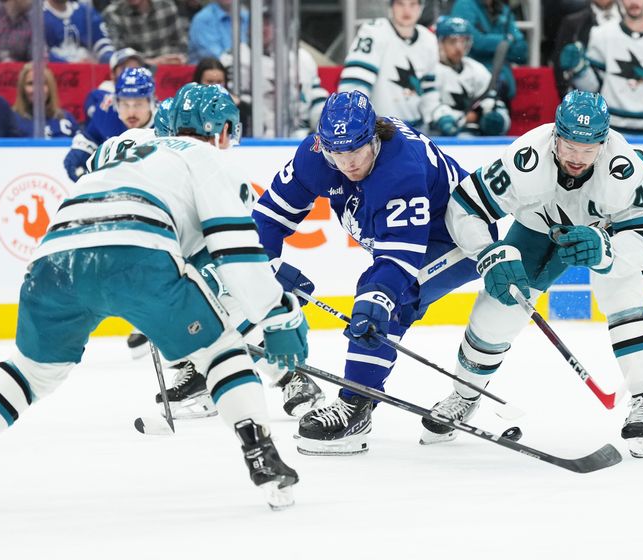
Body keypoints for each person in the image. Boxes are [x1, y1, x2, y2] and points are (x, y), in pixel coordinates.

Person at [0, 83, 305, 511]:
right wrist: (278, 315)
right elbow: (234, 249)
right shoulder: (207, 158)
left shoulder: (120, 144)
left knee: (31, 373)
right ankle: (260, 451)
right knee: (219, 349)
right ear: (223, 132)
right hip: (137, 255)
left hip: (53, 260)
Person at [421, 90, 643, 459]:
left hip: (606, 232)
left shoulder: (627, 168)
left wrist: (606, 252)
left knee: (624, 295)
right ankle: (465, 393)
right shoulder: (526, 157)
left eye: (588, 149)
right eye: (569, 146)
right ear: (555, 134)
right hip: (537, 228)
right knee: (496, 311)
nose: (576, 158)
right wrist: (489, 252)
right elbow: (464, 206)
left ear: (604, 143)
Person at [252, 90, 497, 455]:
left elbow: (400, 256)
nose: (348, 162)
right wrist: (263, 265)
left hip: (458, 238)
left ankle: (356, 406)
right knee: (377, 295)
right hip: (412, 235)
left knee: (390, 300)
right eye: (337, 153)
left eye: (356, 151)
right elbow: (269, 217)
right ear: (321, 144)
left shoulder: (401, 169)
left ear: (374, 137)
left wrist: (378, 297)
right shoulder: (316, 157)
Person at [87, 85, 325, 420]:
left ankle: (289, 375)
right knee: (214, 294)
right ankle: (212, 369)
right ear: (220, 129)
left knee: (211, 292)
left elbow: (96, 161)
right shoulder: (214, 166)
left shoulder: (135, 143)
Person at [561, 0, 643, 135]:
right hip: (613, 134)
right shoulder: (602, 34)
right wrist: (579, 70)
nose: (633, 1)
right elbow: (593, 89)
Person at [337, 0, 458, 136]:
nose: (407, 11)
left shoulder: (428, 40)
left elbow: (428, 93)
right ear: (391, 7)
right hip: (379, 131)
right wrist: (355, 121)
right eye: (401, 4)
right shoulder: (374, 32)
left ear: (421, 7)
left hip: (414, 132)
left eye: (413, 4)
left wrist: (440, 115)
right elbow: (354, 87)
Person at [219, 9, 328, 137]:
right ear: (248, 28)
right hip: (252, 134)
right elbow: (234, 102)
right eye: (258, 23)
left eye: (268, 23)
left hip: (299, 133)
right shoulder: (234, 57)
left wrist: (324, 125)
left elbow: (316, 97)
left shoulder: (301, 58)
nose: (263, 29)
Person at [64, 66, 156, 181]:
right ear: (116, 102)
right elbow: (92, 136)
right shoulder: (106, 112)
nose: (131, 112)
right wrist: (80, 151)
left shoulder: (165, 124)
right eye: (125, 104)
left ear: (151, 103)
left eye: (138, 104)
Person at [434, 15, 510, 136]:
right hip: (437, 140)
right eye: (452, 41)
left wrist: (498, 119)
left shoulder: (476, 69)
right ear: (440, 43)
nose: (459, 48)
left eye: (463, 41)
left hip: (474, 139)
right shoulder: (431, 70)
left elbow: (494, 102)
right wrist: (446, 119)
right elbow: (428, 108)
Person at [449, 0, 528, 105]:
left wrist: (492, 44)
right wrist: (507, 41)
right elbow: (474, 42)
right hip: (473, 86)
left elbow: (522, 51)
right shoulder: (464, 5)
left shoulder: (504, 9)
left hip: (503, 85)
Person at [552, 0, 621, 97]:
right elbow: (561, 73)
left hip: (634, 101)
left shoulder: (642, 20)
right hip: (590, 101)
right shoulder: (572, 24)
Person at [102, 0, 187, 67]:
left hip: (168, 68)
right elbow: (118, 55)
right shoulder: (113, 14)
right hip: (135, 70)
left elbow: (182, 44)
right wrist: (153, 62)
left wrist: (178, 58)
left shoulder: (167, 6)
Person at [11, 63, 80, 138]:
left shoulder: (66, 118)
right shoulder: (11, 120)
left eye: (42, 83)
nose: (37, 89)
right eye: (30, 83)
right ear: (22, 88)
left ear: (50, 87)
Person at [83, 47, 146, 125]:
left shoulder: (149, 96)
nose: (131, 73)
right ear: (112, 74)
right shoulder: (97, 95)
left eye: (135, 68)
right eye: (124, 68)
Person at [44, 0, 114, 64]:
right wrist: (71, 63)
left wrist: (112, 60)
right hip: (54, 73)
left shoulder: (86, 11)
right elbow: (40, 54)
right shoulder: (38, 15)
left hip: (88, 71)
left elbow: (103, 44)